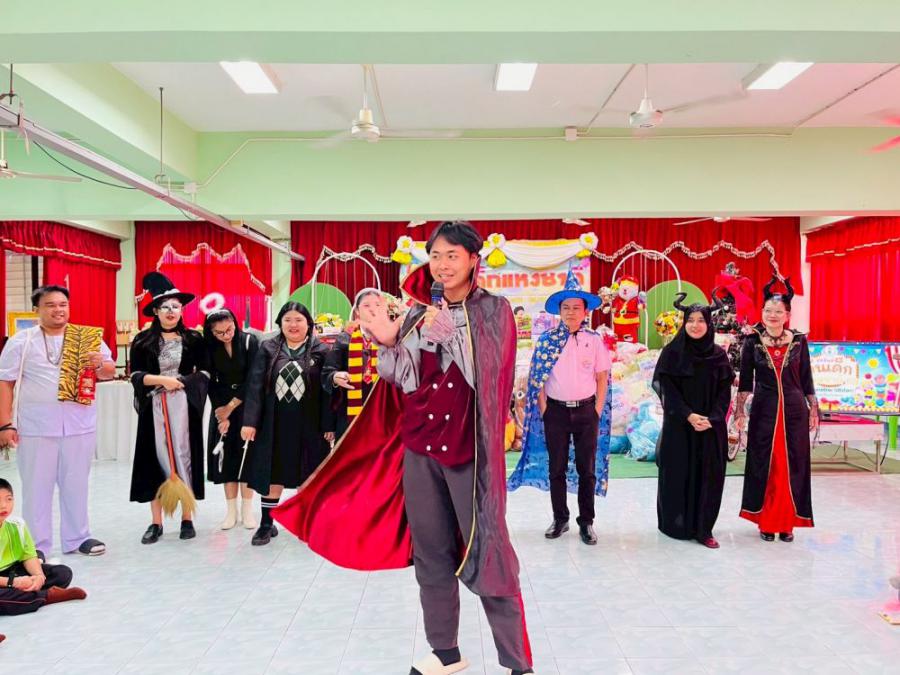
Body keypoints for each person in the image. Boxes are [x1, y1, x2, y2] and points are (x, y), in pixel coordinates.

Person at [273, 221, 534, 675]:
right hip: (420, 447)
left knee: (488, 548)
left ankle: (518, 663)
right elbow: (403, 379)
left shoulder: (494, 311)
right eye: (435, 256)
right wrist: (389, 342)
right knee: (431, 553)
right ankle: (445, 651)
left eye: (452, 256)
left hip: (470, 452)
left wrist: (452, 335)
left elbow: (491, 378)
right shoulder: (416, 313)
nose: (443, 265)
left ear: (473, 260)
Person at [0, 285, 114, 557]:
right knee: (36, 488)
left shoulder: (86, 337)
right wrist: (5, 423)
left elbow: (109, 372)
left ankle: (78, 538)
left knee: (77, 484)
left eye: (63, 304)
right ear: (37, 309)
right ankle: (35, 546)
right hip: (36, 427)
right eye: (50, 305)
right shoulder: (21, 341)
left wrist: (99, 364)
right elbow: (5, 382)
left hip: (79, 424)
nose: (58, 310)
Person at [508, 268, 611, 546]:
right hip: (555, 412)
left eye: (576, 308)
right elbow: (537, 378)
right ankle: (560, 518)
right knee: (556, 468)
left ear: (585, 311)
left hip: (586, 411)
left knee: (586, 469)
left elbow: (602, 377)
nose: (571, 312)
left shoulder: (594, 341)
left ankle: (586, 522)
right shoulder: (547, 341)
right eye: (566, 308)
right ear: (559, 311)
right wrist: (544, 409)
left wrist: (597, 410)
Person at [241, 301, 333, 546]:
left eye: (298, 320)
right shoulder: (268, 348)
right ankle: (266, 523)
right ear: (280, 323)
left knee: (310, 474)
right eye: (288, 320)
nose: (293, 325)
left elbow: (328, 392)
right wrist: (250, 421)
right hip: (274, 424)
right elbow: (255, 386)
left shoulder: (322, 351)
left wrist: (328, 426)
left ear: (308, 324)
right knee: (273, 473)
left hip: (310, 424)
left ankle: (308, 523)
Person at [736, 277, 818, 542]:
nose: (772, 315)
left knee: (793, 464)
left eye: (778, 311)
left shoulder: (799, 341)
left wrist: (813, 409)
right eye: (768, 311)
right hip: (764, 410)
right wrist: (739, 412)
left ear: (787, 315)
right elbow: (745, 381)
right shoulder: (752, 341)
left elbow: (806, 378)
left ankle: (788, 523)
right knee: (766, 464)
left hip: (794, 411)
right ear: (762, 312)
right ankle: (766, 521)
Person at [130, 273, 209, 544]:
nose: (171, 311)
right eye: (165, 307)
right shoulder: (142, 341)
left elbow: (205, 372)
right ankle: (156, 522)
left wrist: (183, 382)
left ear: (182, 309)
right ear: (155, 311)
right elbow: (135, 375)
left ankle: (187, 517)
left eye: (176, 306)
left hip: (184, 406)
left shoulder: (194, 339)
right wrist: (162, 381)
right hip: (153, 405)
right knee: (154, 458)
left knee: (184, 455)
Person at [652, 294, 734, 548]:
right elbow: (667, 388)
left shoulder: (719, 356)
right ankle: (675, 525)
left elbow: (724, 392)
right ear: (684, 322)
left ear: (709, 324)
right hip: (679, 426)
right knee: (677, 474)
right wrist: (688, 415)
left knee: (708, 477)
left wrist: (714, 418)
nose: (695, 325)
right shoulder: (672, 353)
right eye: (690, 320)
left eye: (701, 320)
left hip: (710, 427)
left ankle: (703, 529)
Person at [203, 308, 260, 530]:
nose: (226, 335)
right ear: (211, 332)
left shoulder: (249, 341)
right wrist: (221, 413)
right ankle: (230, 511)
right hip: (221, 406)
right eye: (220, 333)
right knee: (226, 458)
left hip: (247, 405)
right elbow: (210, 382)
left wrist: (231, 407)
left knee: (247, 456)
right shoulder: (209, 348)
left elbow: (254, 378)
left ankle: (247, 510)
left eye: (229, 329)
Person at [0, 477, 87, 615]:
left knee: (62, 573)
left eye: (9, 499)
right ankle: (46, 596)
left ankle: (29, 595)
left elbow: (28, 556)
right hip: (7, 581)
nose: (4, 506)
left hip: (12, 570)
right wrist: (13, 582)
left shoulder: (17, 524)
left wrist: (39, 576)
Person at [322, 289, 382, 442]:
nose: (373, 310)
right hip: (349, 411)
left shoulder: (390, 338)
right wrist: (335, 376)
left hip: (382, 412)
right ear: (357, 312)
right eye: (366, 305)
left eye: (377, 305)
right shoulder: (344, 339)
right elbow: (328, 372)